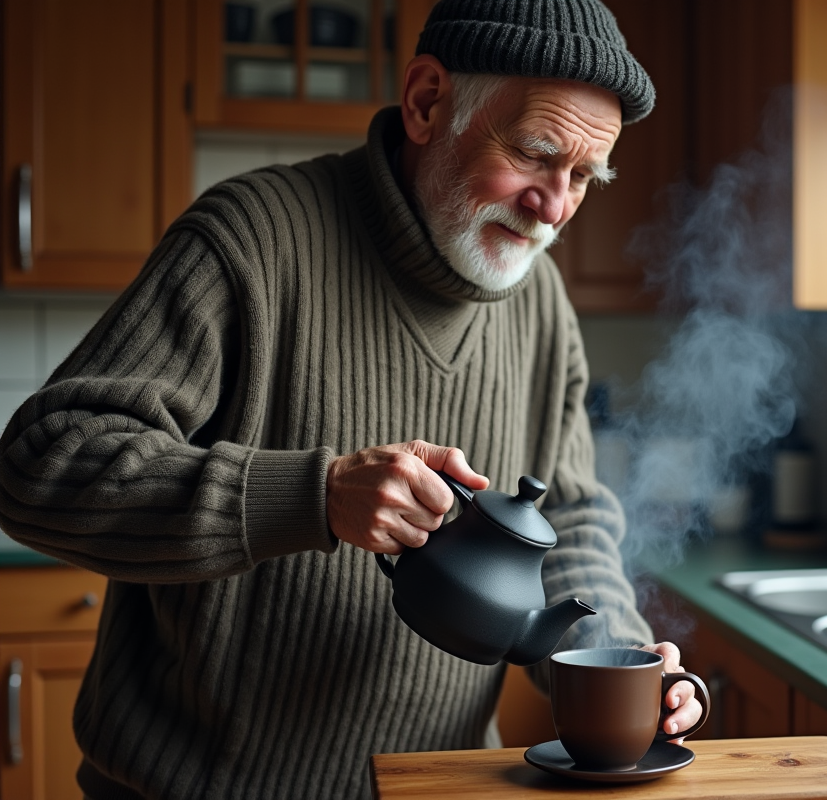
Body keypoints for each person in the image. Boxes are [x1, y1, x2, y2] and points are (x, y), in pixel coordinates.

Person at [0, 1, 703, 797]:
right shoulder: (251, 241)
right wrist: (315, 496)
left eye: (583, 176)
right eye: (536, 155)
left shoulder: (541, 304)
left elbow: (570, 518)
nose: (556, 206)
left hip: (433, 788)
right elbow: (39, 464)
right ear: (428, 101)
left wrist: (612, 656)